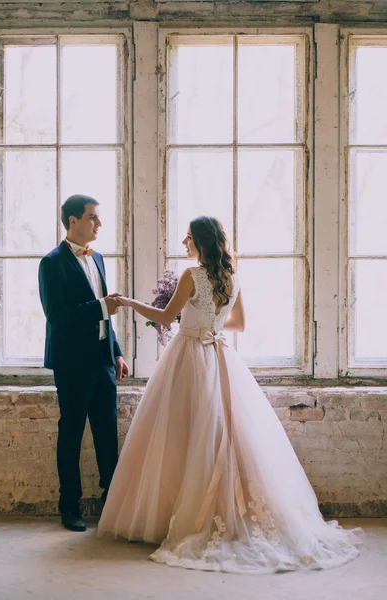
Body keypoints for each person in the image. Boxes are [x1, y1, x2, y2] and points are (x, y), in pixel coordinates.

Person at [98, 215, 361, 573]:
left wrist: (127, 302)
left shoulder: (192, 275)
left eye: (188, 237)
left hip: (188, 356)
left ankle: (176, 516)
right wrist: (212, 325)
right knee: (221, 435)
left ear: (201, 242)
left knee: (181, 435)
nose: (183, 243)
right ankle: (225, 511)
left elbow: (164, 318)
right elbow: (239, 324)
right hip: (219, 354)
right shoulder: (231, 278)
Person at [38, 194, 130, 532]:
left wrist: (117, 352)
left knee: (107, 434)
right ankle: (69, 506)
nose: (99, 224)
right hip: (72, 364)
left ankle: (112, 503)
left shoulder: (100, 258)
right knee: (72, 434)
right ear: (73, 221)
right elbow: (57, 316)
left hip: (103, 361)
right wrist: (102, 307)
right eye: (93, 217)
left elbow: (106, 316)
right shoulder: (51, 263)